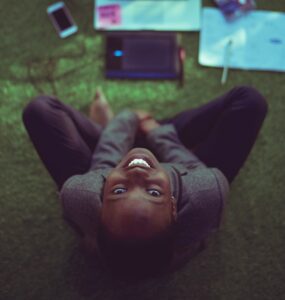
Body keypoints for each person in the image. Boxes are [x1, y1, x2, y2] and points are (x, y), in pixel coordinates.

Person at [22, 86, 268, 280]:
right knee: (250, 101)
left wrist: (125, 119)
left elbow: (106, 161)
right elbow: (187, 164)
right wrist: (154, 130)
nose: (137, 174)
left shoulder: (80, 194)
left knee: (39, 109)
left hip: (112, 160)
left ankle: (110, 129)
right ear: (174, 206)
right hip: (178, 154)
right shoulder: (206, 191)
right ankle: (148, 130)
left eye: (119, 190)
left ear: (99, 205)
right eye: (152, 192)